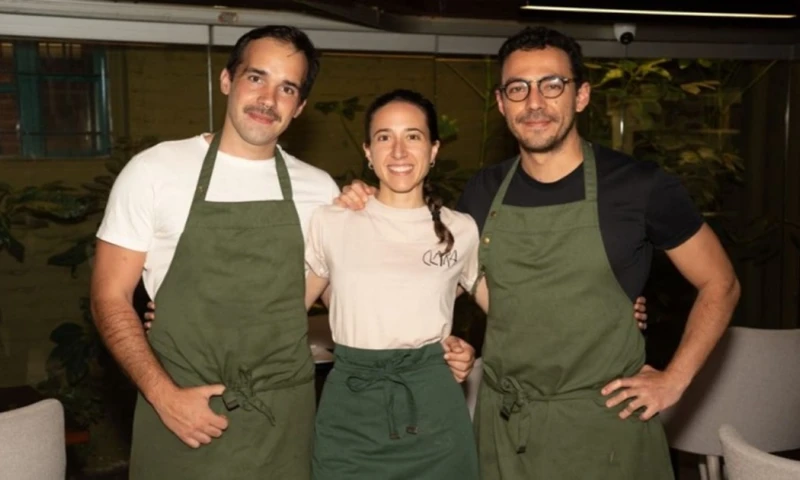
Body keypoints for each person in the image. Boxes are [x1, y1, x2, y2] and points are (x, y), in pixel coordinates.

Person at [337, 26, 740, 480]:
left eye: (552, 85)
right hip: (502, 429)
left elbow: (720, 283)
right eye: (518, 88)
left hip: (600, 430)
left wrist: (674, 381)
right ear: (501, 102)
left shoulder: (640, 186)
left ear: (581, 96)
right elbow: (428, 269)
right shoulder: (483, 191)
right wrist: (365, 200)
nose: (534, 103)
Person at [90, 25, 475, 479]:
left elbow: (352, 293)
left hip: (287, 419)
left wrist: (431, 346)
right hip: (184, 410)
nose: (268, 98)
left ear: (300, 106)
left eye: (287, 87)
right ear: (227, 80)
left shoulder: (318, 190)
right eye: (257, 78)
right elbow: (108, 298)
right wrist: (163, 396)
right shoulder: (155, 171)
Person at [304, 89, 484, 480]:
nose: (399, 151)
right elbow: (282, 310)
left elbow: (513, 312)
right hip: (350, 410)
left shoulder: (462, 229)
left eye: (413, 136)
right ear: (368, 152)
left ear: (434, 150)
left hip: (435, 408)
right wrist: (193, 320)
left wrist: (613, 311)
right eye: (385, 137)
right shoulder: (331, 222)